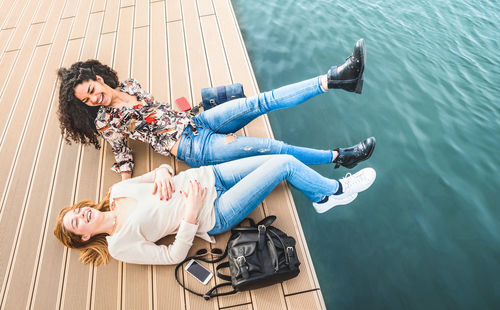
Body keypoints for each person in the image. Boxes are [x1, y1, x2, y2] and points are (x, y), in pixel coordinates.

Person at [56, 39, 376, 190]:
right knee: (275, 150)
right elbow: (123, 155)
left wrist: (192, 110)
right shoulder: (105, 121)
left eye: (92, 90)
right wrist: (123, 190)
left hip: (198, 122)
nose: (95, 98)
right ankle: (340, 157)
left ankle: (337, 79)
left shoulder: (129, 85)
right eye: (88, 100)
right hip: (195, 148)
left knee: (260, 101)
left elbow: (159, 111)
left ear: (97, 78)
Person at [54, 155, 376, 265]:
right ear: (83, 237)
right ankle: (335, 192)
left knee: (271, 157)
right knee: (284, 164)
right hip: (214, 211)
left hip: (210, 175)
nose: (82, 214)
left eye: (77, 211)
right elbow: (171, 256)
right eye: (76, 223)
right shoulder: (120, 246)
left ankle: (321, 198)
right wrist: (190, 215)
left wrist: (165, 171)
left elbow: (159, 172)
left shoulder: (117, 191)